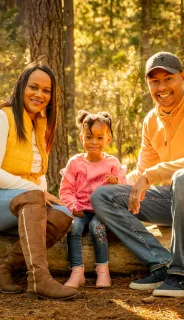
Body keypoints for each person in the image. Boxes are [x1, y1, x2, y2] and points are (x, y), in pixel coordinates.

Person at [90, 52, 184, 298]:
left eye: (168, 79)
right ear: (148, 84)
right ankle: (160, 263)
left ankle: (181, 275)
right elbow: (142, 172)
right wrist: (113, 182)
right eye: (154, 81)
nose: (161, 87)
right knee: (103, 196)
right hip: (178, 200)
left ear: (183, 78)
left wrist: (151, 176)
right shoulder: (152, 120)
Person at [0, 61, 78, 300]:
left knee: (62, 213)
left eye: (46, 90)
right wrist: (36, 193)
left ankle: (3, 269)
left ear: (52, 96)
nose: (39, 94)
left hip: (14, 202)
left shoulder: (40, 125)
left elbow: (37, 175)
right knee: (34, 197)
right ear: (21, 87)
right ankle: (39, 279)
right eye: (34, 87)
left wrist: (42, 196)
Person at [60, 110, 127, 289]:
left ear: (108, 139)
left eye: (99, 138)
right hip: (80, 211)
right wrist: (73, 206)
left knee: (97, 227)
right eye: (89, 137)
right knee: (73, 227)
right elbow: (66, 190)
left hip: (102, 212)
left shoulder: (113, 163)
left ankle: (103, 271)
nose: (94, 142)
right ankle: (77, 272)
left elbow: (123, 190)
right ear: (82, 138)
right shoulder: (75, 163)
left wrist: (117, 182)